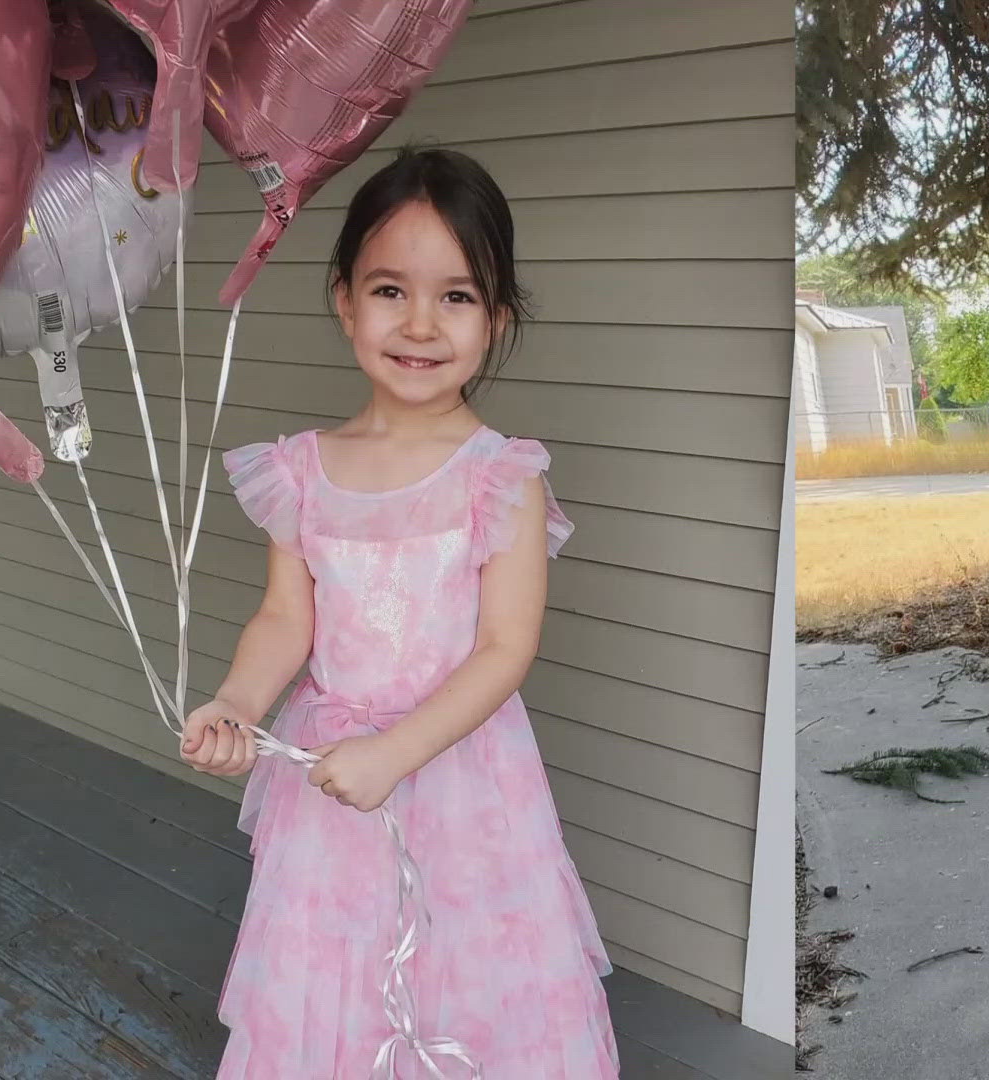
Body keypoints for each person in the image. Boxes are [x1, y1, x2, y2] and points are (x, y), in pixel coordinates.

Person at [178, 146, 619, 1078]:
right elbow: (283, 622)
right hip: (330, 783)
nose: (421, 323)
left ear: (497, 319)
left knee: (470, 967)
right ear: (345, 299)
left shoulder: (502, 476)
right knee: (334, 969)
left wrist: (396, 753)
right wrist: (238, 705)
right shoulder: (300, 469)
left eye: (457, 297)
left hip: (464, 781)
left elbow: (505, 649)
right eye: (390, 290)